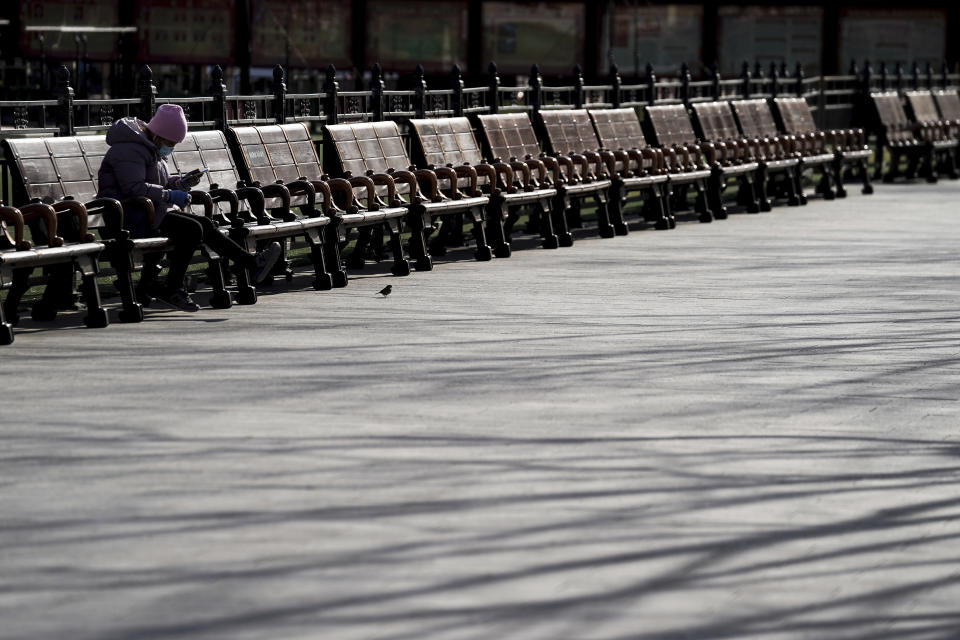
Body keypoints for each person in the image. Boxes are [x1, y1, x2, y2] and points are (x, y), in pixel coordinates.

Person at [97, 104, 281, 312]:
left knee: (203, 224)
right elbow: (134, 188)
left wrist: (181, 184)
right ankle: (174, 287)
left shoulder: (150, 148)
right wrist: (170, 194)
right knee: (193, 229)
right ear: (158, 134)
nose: (171, 147)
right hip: (130, 217)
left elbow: (157, 183)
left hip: (150, 212)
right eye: (170, 142)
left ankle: (251, 263)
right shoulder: (129, 150)